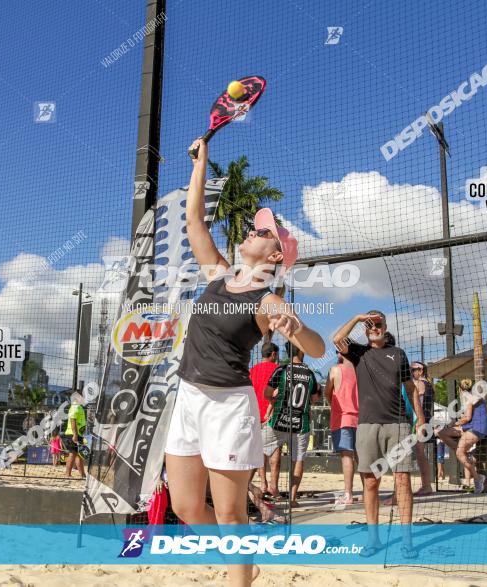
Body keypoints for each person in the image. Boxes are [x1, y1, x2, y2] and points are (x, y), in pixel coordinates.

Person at [164, 138, 325, 587]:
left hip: (228, 408)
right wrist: (201, 163)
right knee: (186, 507)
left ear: (276, 256)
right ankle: (244, 561)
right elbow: (194, 219)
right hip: (190, 397)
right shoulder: (218, 275)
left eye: (264, 231)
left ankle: (240, 574)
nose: (255, 229)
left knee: (233, 513)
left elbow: (315, 349)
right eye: (257, 227)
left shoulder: (268, 299)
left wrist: (297, 328)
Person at [333, 311, 423, 558]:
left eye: (378, 324)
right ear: (365, 329)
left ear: (385, 326)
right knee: (370, 483)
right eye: (370, 325)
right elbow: (337, 338)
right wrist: (357, 317)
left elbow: (410, 388)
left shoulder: (399, 354)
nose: (374, 328)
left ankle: (407, 540)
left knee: (402, 481)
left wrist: (421, 418)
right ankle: (373, 539)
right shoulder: (360, 353)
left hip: (398, 424)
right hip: (367, 425)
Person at [262, 346, 321, 509]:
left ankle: (257, 486)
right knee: (298, 459)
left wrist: (276, 399)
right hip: (300, 423)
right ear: (302, 351)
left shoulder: (281, 369)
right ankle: (293, 498)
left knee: (258, 450)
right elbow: (315, 398)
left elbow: (266, 393)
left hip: (279, 420)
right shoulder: (309, 373)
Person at [437, 379, 487, 493]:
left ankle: (478, 478)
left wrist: (454, 423)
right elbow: (467, 418)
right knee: (441, 433)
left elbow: (467, 417)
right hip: (470, 427)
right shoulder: (471, 396)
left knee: (459, 453)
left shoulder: (468, 396)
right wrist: (454, 424)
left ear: (459, 389)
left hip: (477, 428)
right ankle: (465, 453)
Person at [324, 353, 359, 508]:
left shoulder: (335, 369)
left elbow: (327, 392)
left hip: (342, 417)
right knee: (361, 457)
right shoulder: (359, 370)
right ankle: (368, 492)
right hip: (360, 418)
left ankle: (348, 494)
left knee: (347, 456)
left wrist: (334, 405)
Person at [250, 342, 280, 496]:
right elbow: (278, 393)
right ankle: (274, 487)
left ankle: (263, 484)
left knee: (259, 451)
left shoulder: (252, 370)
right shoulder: (277, 369)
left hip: (254, 416)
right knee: (274, 450)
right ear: (273, 354)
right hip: (272, 415)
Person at [411, 361, 435, 496]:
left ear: (421, 370)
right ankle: (426, 485)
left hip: (421, 421)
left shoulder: (420, 383)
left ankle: (426, 486)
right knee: (421, 454)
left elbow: (418, 405)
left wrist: (418, 422)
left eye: (414, 369)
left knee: (420, 455)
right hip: (427, 418)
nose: (412, 372)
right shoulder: (429, 384)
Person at [62, 392, 87, 479]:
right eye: (82, 396)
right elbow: (73, 421)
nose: (84, 398)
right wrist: (75, 435)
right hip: (73, 434)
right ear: (77, 398)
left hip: (78, 434)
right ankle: (67, 475)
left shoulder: (79, 407)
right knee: (72, 454)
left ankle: (83, 475)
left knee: (79, 455)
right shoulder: (75, 407)